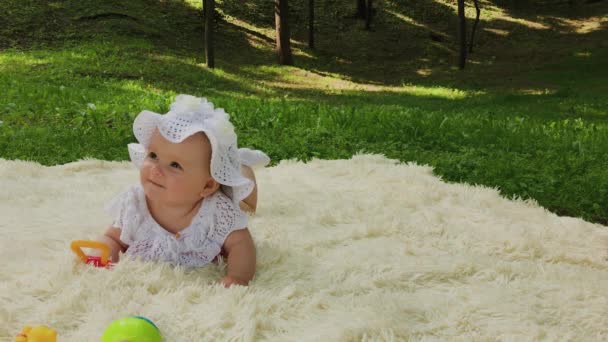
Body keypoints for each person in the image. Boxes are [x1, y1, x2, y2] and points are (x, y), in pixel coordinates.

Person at [95, 94, 269, 287]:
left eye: (175, 165)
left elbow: (241, 245)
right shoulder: (135, 204)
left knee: (246, 206)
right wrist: (104, 255)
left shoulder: (218, 212)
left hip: (225, 199)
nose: (156, 169)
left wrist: (238, 276)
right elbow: (112, 238)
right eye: (153, 155)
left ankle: (241, 166)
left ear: (207, 186)